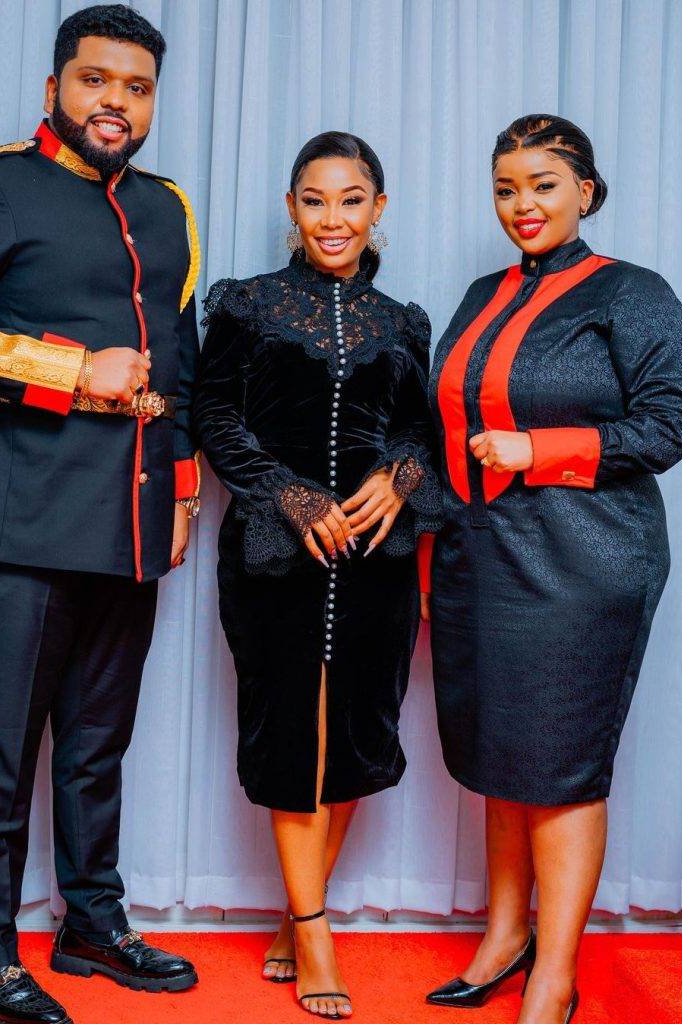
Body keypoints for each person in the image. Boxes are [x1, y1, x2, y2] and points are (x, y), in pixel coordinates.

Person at [0, 6, 203, 1022]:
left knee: (97, 741)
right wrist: (71, 371)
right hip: (19, 518)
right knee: (2, 747)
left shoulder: (167, 209)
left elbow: (183, 371)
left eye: (137, 86)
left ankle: (91, 922)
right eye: (96, 80)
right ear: (53, 92)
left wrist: (184, 497)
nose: (116, 100)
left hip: (131, 522)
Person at [422, 114, 682, 1024]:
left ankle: (557, 974)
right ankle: (506, 939)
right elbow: (445, 428)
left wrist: (536, 445)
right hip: (481, 556)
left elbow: (668, 427)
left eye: (543, 184)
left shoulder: (633, 292)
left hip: (585, 561)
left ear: (585, 190)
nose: (523, 205)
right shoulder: (479, 292)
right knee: (502, 756)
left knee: (559, 763)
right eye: (506, 188)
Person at [194, 131, 441, 1020]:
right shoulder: (249, 306)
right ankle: (318, 932)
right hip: (276, 556)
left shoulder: (406, 321)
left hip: (375, 559)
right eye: (314, 199)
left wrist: (399, 478)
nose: (332, 218)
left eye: (350, 200)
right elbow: (213, 413)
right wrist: (287, 493)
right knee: (293, 733)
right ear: (291, 212)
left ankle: (296, 918)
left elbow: (420, 431)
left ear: (378, 209)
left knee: (354, 737)